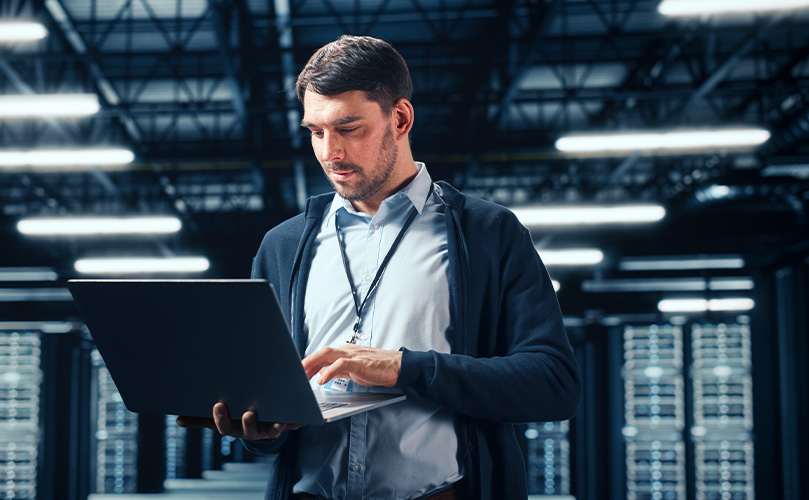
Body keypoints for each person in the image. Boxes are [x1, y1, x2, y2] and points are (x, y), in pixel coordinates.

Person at [179, 35, 580, 500]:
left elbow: (553, 384)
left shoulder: (488, 234)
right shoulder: (282, 246)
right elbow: (268, 414)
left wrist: (402, 368)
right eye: (316, 131)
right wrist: (258, 430)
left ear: (401, 118)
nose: (330, 152)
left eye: (348, 128)